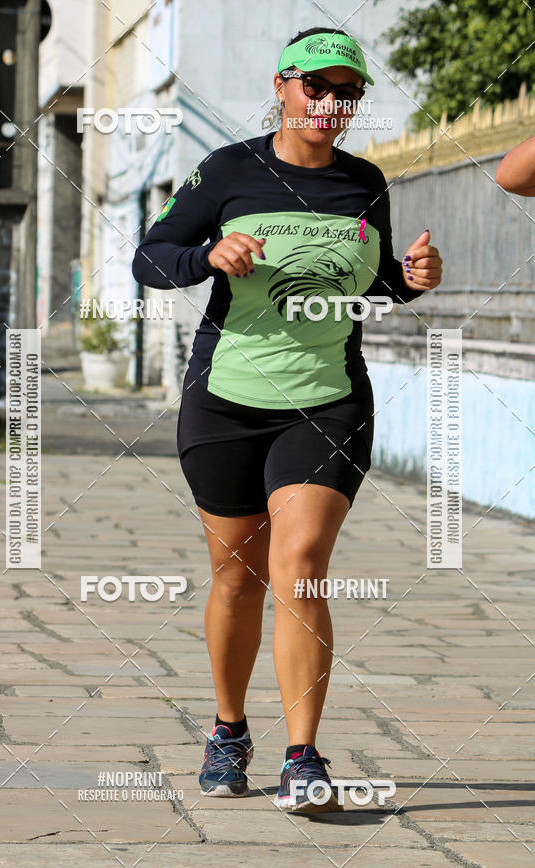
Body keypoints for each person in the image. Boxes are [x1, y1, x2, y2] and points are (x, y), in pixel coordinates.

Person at [132, 26, 442, 815]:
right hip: (226, 401)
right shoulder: (228, 170)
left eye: (348, 92)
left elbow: (366, 284)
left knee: (300, 563)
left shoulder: (364, 182)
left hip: (328, 399)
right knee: (238, 576)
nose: (331, 102)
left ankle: (304, 756)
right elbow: (152, 256)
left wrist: (409, 280)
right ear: (282, 86)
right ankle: (228, 730)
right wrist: (208, 257)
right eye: (317, 86)